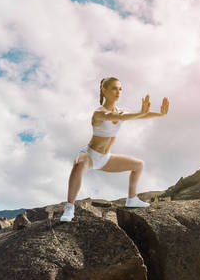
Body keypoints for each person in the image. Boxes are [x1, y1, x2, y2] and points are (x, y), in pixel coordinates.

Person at [60, 77, 170, 222]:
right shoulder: (99, 113)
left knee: (138, 165)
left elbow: (136, 115)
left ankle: (132, 199)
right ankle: (69, 207)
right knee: (79, 165)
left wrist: (160, 114)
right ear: (104, 91)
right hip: (90, 155)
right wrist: (140, 112)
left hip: (105, 159)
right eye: (114, 88)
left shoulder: (122, 111)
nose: (118, 92)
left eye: (120, 89)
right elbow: (117, 116)